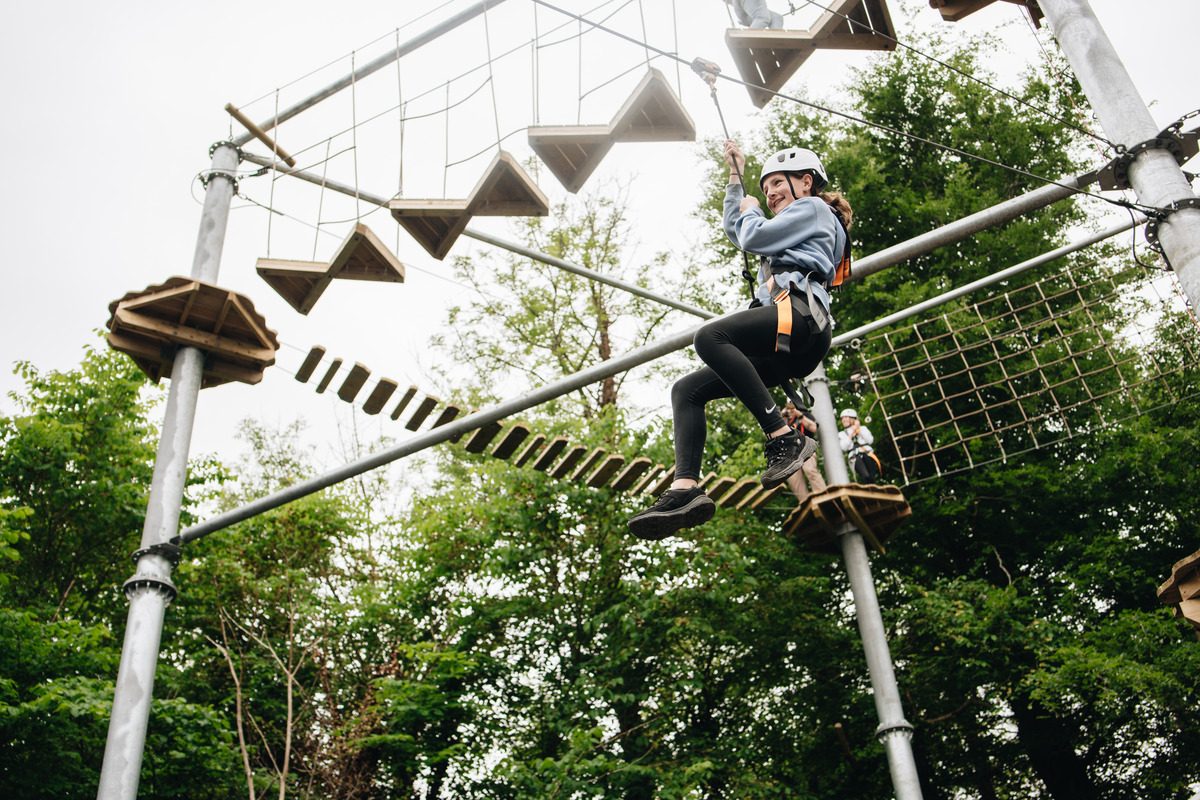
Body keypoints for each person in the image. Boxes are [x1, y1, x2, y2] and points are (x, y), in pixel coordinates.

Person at [627, 139, 852, 540]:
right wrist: (735, 178)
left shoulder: (815, 209)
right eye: (765, 191)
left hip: (800, 318)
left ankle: (784, 436)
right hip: (785, 339)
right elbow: (738, 230)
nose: (770, 194)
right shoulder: (793, 220)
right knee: (687, 390)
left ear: (806, 182)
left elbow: (751, 236)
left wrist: (751, 213)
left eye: (777, 184)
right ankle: (686, 487)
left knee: (710, 337)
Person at [785, 403, 827, 503]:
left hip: (805, 447)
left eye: (793, 407)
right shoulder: (785, 420)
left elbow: (813, 428)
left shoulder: (806, 415)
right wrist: (781, 415)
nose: (791, 410)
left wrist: (799, 415)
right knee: (794, 480)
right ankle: (805, 503)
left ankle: (823, 496)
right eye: (789, 407)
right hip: (791, 452)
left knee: (810, 470)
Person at [838, 408, 880, 484]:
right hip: (855, 456)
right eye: (842, 419)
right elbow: (844, 447)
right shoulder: (842, 434)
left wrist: (858, 429)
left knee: (872, 477)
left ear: (853, 419)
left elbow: (870, 440)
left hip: (867, 453)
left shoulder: (862, 429)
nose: (844, 420)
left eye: (846, 418)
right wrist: (852, 432)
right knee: (865, 476)